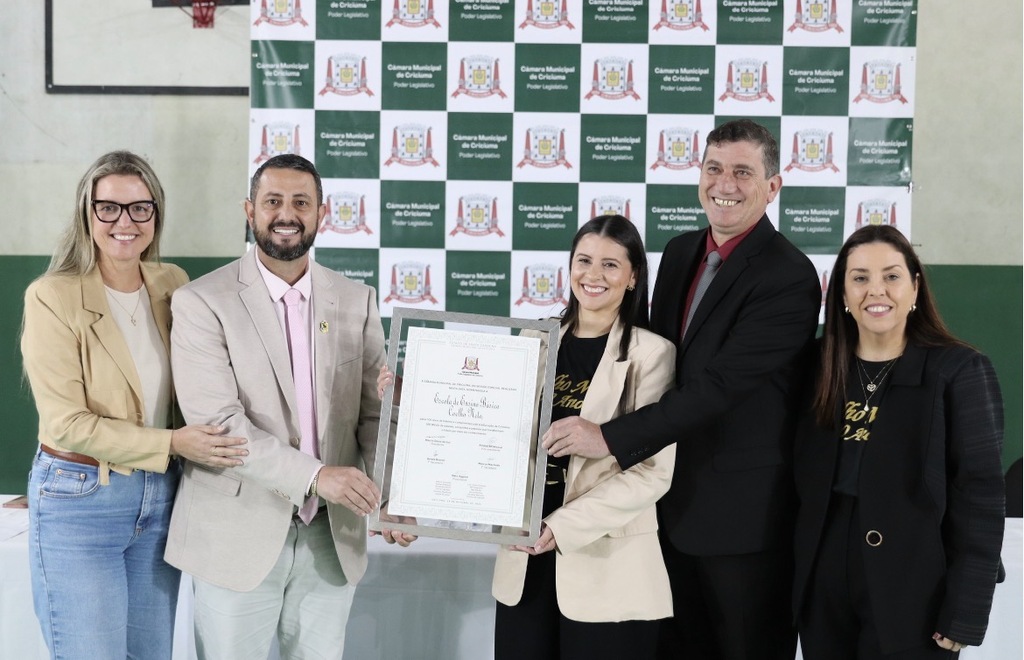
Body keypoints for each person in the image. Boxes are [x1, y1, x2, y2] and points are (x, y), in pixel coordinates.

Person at [542, 119, 822, 660]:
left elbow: (718, 389)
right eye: (714, 168)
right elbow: (635, 361)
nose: (726, 183)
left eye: (743, 171)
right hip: (657, 516)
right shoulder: (678, 252)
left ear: (774, 186)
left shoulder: (790, 275)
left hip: (742, 525)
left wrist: (610, 436)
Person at [164, 153, 396, 659]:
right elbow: (219, 426)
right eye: (272, 201)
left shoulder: (357, 299)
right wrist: (317, 476)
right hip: (235, 537)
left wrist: (399, 497)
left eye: (300, 202)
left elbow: (375, 416)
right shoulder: (203, 301)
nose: (285, 214)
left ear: (321, 213)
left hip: (331, 539)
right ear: (249, 211)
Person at [20, 150, 246, 659]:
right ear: (87, 214)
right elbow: (66, 422)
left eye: (140, 208)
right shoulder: (51, 296)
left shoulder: (173, 282)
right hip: (82, 497)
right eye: (109, 208)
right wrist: (173, 442)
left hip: (162, 498)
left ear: (156, 214)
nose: (125, 222)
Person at [792, 225, 1005, 659]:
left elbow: (980, 494)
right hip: (824, 569)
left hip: (915, 581)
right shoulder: (816, 364)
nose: (876, 290)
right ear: (842, 295)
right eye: (860, 277)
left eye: (891, 276)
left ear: (915, 287)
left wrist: (967, 608)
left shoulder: (959, 369)